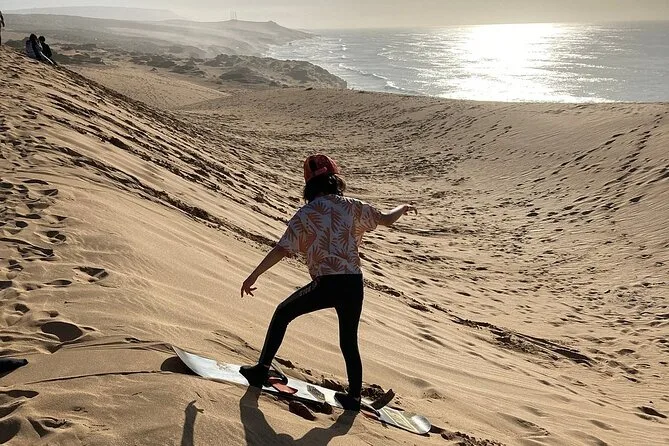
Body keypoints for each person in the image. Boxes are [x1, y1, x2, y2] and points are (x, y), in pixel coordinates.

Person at [240, 154, 417, 411]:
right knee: (348, 341)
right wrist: (402, 207)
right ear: (335, 180)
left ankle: (261, 370)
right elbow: (387, 219)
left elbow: (281, 249)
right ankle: (353, 398)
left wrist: (254, 275)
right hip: (354, 284)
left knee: (282, 313)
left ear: (309, 185)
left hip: (328, 284)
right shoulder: (353, 206)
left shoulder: (307, 213)